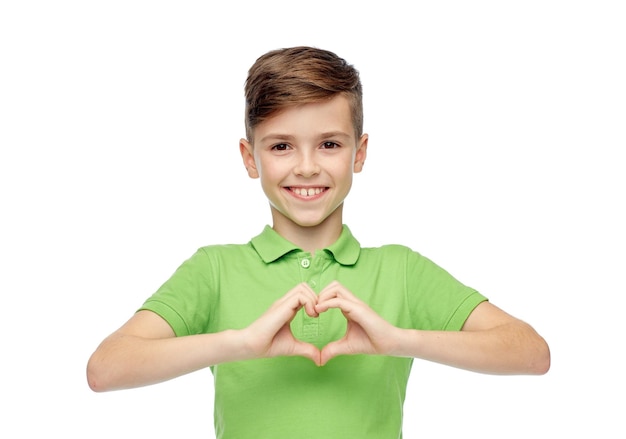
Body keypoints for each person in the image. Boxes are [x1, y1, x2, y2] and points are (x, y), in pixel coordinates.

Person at [87, 46, 550, 438]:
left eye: (329, 144)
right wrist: (240, 343)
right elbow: (106, 369)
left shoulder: (401, 270)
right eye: (281, 146)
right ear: (250, 158)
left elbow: (531, 352)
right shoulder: (214, 270)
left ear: (360, 153)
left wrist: (400, 339)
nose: (306, 167)